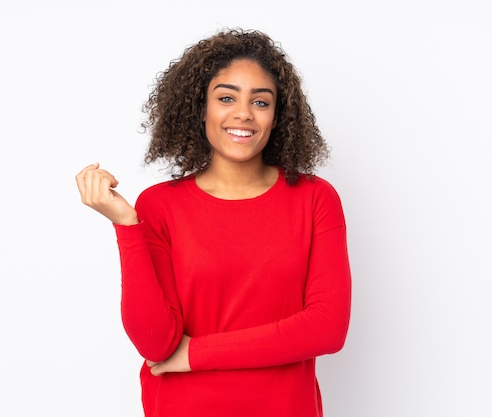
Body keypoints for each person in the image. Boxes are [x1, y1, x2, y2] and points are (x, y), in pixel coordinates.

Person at [75, 28, 351, 417]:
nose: (243, 113)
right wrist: (126, 225)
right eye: (226, 98)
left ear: (278, 115)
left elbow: (327, 327)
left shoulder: (314, 198)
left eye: (260, 101)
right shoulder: (158, 205)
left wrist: (196, 353)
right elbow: (156, 345)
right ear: (199, 107)